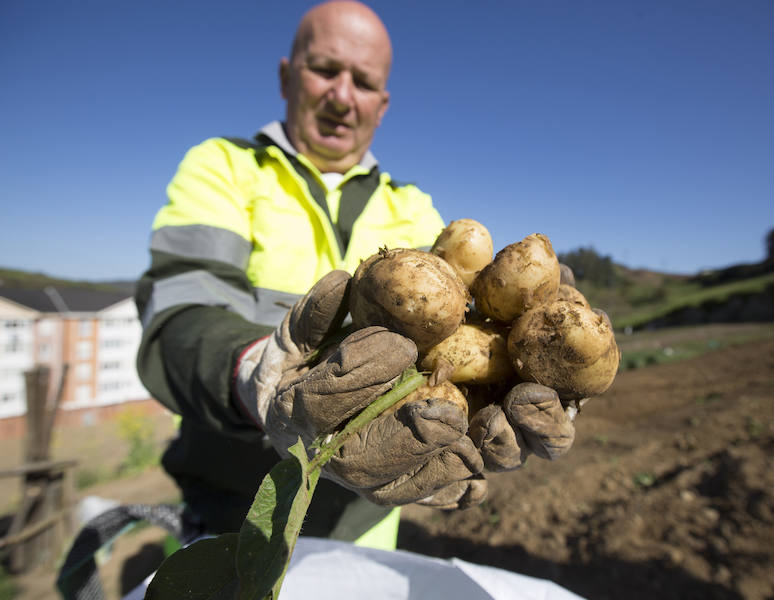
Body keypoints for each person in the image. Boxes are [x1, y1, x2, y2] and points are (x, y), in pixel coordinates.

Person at [134, 0, 576, 546]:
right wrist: (256, 375)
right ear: (285, 76)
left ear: (383, 104)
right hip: (232, 524)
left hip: (366, 537)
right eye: (325, 70)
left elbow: (459, 329)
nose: (342, 96)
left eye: (363, 82)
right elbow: (177, 319)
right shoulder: (225, 167)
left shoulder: (413, 207)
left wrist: (530, 361)